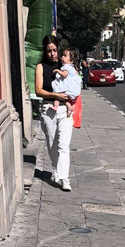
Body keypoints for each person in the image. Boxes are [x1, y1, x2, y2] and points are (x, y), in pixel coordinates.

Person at [35, 35, 73, 191]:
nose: (53, 54)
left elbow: (73, 81)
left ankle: (64, 178)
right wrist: (55, 95)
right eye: (49, 51)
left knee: (64, 145)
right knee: (52, 144)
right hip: (48, 109)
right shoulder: (40, 67)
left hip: (65, 109)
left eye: (55, 50)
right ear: (45, 51)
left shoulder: (64, 65)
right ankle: (56, 169)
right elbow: (38, 91)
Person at [51, 48, 81, 117]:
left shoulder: (66, 67)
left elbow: (64, 75)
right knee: (64, 98)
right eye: (62, 55)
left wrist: (57, 71)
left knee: (57, 95)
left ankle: (56, 106)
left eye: (65, 56)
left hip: (66, 87)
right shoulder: (72, 67)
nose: (62, 57)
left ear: (71, 60)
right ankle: (69, 107)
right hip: (71, 88)